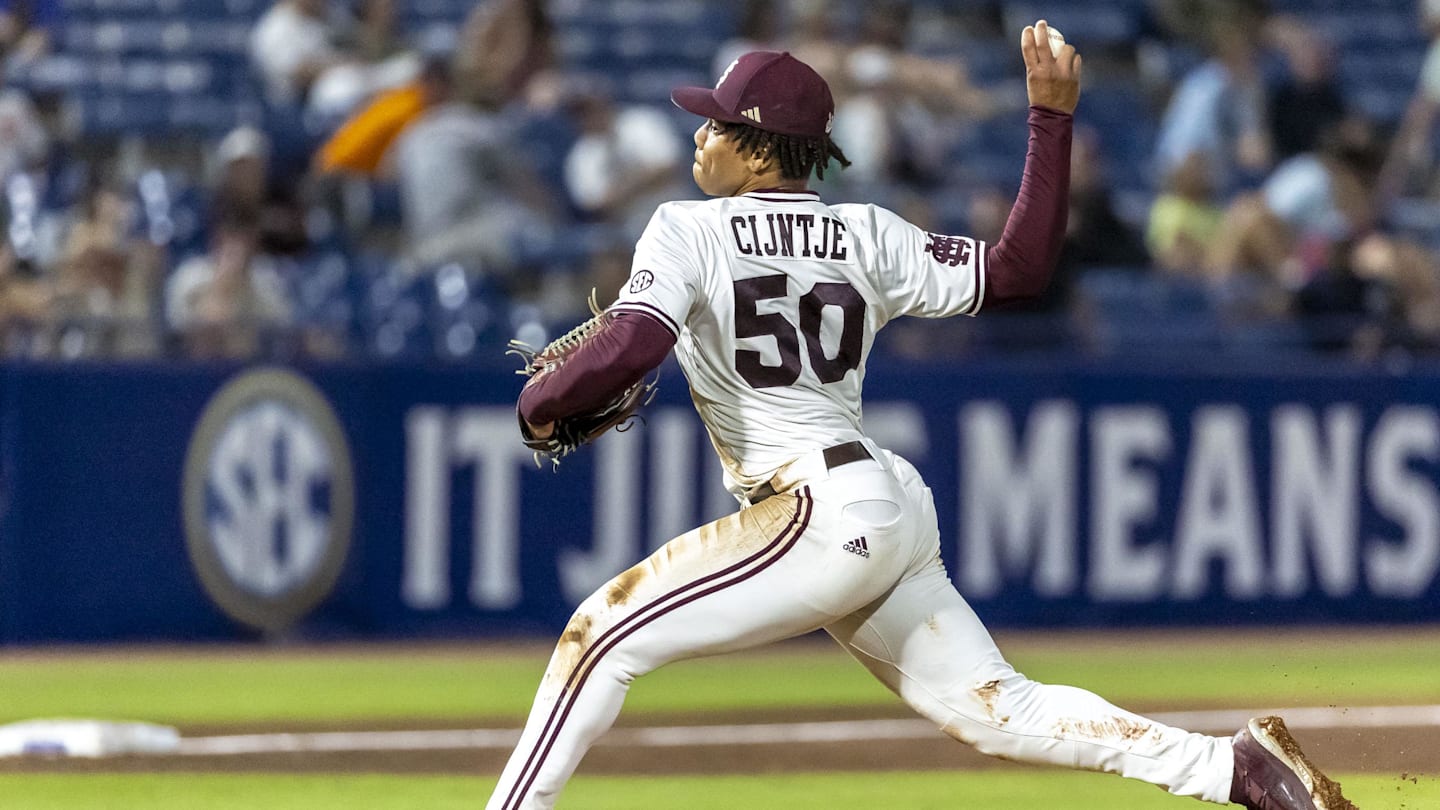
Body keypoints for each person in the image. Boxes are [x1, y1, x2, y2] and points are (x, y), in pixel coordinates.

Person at [490, 28, 1355, 810]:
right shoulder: (869, 232)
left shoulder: (686, 229)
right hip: (885, 500)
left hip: (816, 515)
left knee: (599, 635)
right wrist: (1049, 121)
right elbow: (1018, 270)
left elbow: (634, 345)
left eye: (717, 124)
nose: (699, 136)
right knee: (1000, 709)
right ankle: (1232, 771)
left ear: (758, 151)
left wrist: (536, 404)